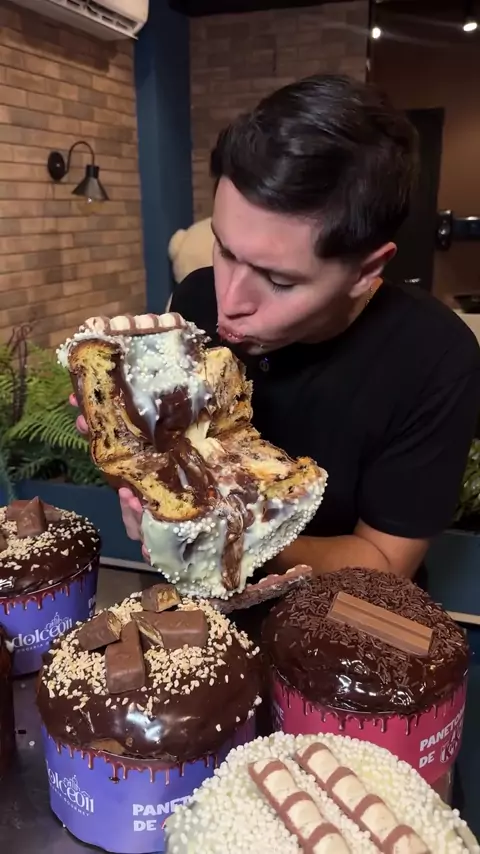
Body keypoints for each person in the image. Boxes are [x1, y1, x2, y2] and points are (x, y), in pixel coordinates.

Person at [76, 74, 480, 586]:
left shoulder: (434, 357)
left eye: (278, 280)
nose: (229, 303)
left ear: (366, 270)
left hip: (338, 619)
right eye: (224, 249)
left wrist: (223, 536)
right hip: (196, 610)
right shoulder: (196, 298)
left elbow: (384, 563)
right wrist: (130, 454)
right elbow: (168, 466)